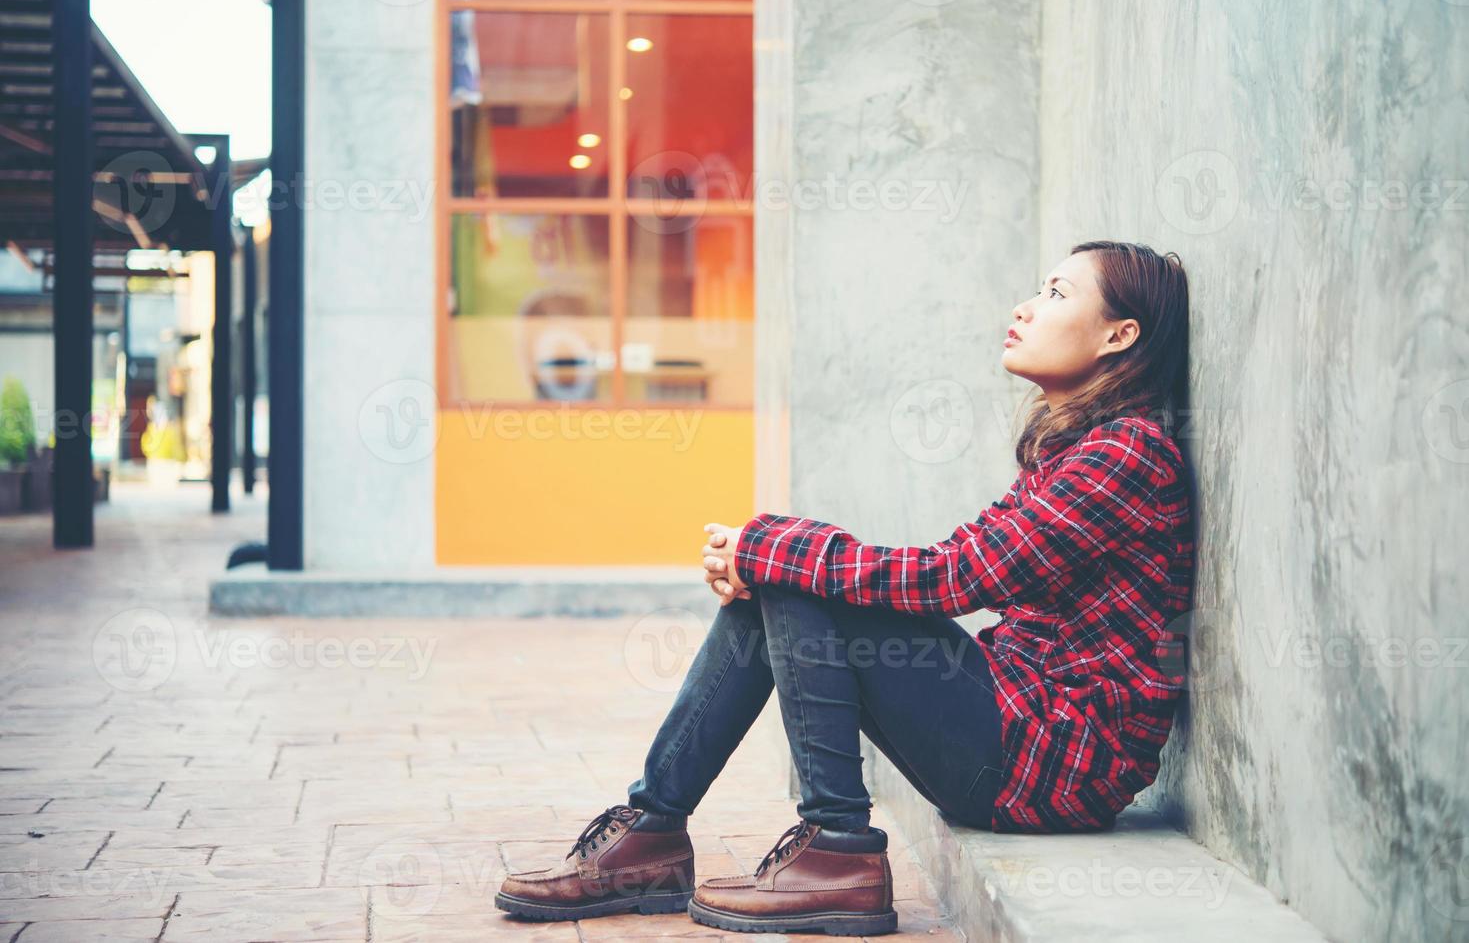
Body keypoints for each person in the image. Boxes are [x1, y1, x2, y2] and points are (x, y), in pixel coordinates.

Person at [495, 240, 1196, 935]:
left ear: (1118, 335)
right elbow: (957, 559)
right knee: (786, 571)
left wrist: (763, 547)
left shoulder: (1125, 454)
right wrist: (765, 554)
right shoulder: (1078, 449)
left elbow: (954, 579)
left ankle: (832, 847)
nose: (1024, 307)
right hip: (1022, 728)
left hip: (1052, 763)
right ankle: (654, 834)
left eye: (1055, 293)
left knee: (795, 575)